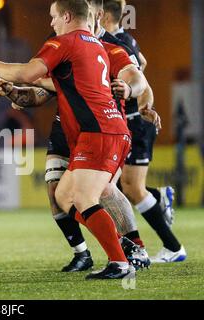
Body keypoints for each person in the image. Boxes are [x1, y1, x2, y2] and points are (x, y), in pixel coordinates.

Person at [0, 0, 140, 279]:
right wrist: (17, 91)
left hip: (99, 131)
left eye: (54, 16)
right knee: (64, 195)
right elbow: (49, 86)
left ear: (68, 16)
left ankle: (120, 261)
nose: (51, 23)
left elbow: (27, 72)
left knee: (86, 197)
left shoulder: (66, 42)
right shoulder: (95, 45)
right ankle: (121, 245)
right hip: (102, 130)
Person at [101, 0, 186, 263]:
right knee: (119, 187)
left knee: (131, 189)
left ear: (101, 15)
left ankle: (173, 247)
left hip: (136, 121)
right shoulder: (125, 39)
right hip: (130, 120)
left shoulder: (118, 43)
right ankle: (159, 197)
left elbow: (141, 74)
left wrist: (138, 100)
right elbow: (143, 63)